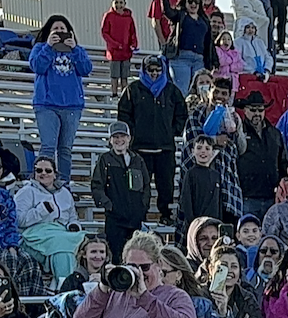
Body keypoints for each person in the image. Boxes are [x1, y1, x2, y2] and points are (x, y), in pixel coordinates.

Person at [119, 56, 188, 224]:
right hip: (139, 148)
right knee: (139, 186)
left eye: (158, 70)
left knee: (166, 185)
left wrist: (172, 131)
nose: (155, 74)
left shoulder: (172, 90)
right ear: (144, 70)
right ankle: (139, 215)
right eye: (151, 70)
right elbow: (124, 114)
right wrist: (133, 134)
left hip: (165, 148)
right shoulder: (132, 89)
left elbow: (182, 114)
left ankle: (165, 214)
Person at [28, 13, 93, 186]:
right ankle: (43, 182)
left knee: (65, 149)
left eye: (62, 29)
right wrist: (49, 47)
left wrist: (76, 50)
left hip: (72, 106)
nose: (59, 32)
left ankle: (63, 184)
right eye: (55, 29)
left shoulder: (77, 50)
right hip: (47, 105)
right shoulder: (40, 47)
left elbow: (86, 69)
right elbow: (37, 66)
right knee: (48, 146)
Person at [90, 122, 152, 261]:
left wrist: (143, 207)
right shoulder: (105, 159)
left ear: (129, 138)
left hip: (135, 218)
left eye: (122, 136)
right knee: (115, 257)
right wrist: (108, 206)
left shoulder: (138, 160)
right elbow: (97, 185)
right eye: (115, 137)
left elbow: (146, 186)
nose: (119, 140)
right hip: (115, 219)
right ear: (110, 140)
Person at [101, 0, 139, 95]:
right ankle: (114, 94)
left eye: (121, 2)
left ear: (125, 3)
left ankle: (124, 95)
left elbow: (133, 33)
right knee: (114, 76)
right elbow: (105, 33)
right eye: (116, 2)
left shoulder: (129, 18)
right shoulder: (108, 16)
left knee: (124, 76)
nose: (119, 5)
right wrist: (115, 44)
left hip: (126, 52)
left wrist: (133, 44)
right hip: (114, 53)